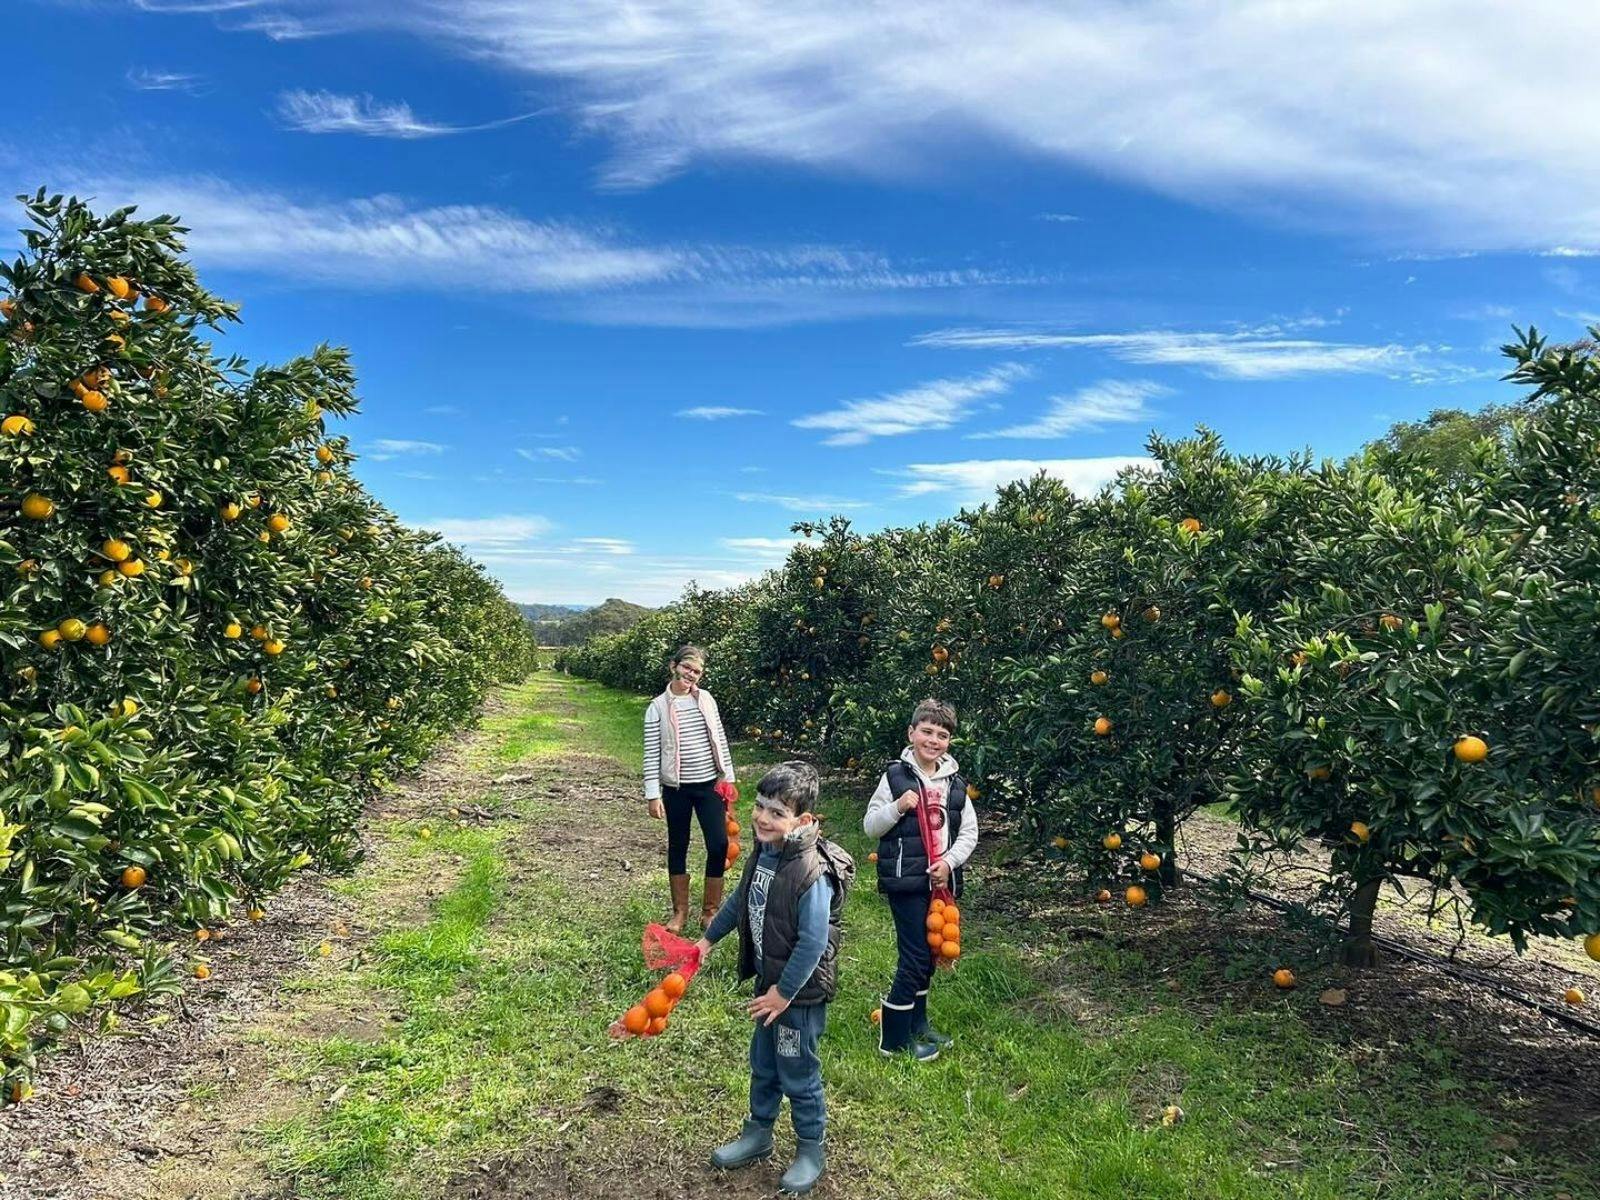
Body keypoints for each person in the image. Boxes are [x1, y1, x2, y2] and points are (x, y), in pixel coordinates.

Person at [694, 762, 854, 1197]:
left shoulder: (810, 872)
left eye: (777, 813)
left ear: (803, 821)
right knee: (764, 1064)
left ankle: (810, 1148)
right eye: (761, 806)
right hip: (771, 988)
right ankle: (758, 1133)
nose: (763, 818)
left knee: (798, 1071)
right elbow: (739, 902)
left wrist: (784, 994)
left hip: (797, 997)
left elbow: (813, 943)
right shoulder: (764, 853)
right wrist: (706, 943)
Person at [862, 698, 977, 1061]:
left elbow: (969, 832)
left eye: (942, 735)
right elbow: (869, 826)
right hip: (906, 881)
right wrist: (897, 807)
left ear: (949, 742)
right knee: (913, 957)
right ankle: (893, 1039)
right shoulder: (895, 777)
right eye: (926, 732)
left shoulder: (956, 784)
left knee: (929, 955)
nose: (933, 740)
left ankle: (918, 1024)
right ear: (911, 733)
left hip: (939, 883)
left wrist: (949, 861)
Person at [644, 644, 736, 932]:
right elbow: (651, 753)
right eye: (687, 668)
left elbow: (719, 737)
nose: (691, 674)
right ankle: (680, 912)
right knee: (678, 845)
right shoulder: (657, 707)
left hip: (709, 784)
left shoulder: (706, 699)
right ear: (674, 666)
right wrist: (652, 794)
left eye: (697, 671)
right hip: (677, 789)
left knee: (719, 844)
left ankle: (710, 911)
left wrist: (727, 777)